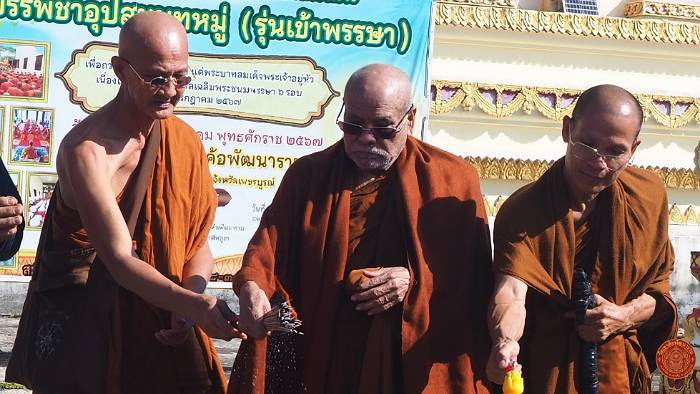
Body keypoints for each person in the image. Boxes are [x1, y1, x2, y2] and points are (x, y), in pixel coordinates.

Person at [8, 11, 244, 394]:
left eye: (180, 77)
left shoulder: (182, 140)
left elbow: (196, 242)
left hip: (159, 322)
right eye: (156, 78)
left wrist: (190, 295)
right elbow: (118, 261)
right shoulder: (86, 150)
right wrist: (194, 307)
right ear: (120, 69)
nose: (170, 90)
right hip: (86, 327)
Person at [229, 64, 493, 393]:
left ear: (409, 119)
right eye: (353, 126)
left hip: (409, 362)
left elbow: (474, 282)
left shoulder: (452, 180)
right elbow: (267, 248)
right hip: (328, 357)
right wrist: (252, 287)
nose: (367, 139)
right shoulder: (309, 176)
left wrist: (413, 281)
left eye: (383, 129)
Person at [486, 84, 677, 393]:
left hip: (617, 373)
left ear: (634, 148)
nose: (598, 161)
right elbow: (511, 291)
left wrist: (623, 315)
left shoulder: (648, 197)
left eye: (615, 151)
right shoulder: (523, 210)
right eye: (587, 144)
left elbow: (658, 295)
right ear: (567, 129)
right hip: (548, 372)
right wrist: (505, 341)